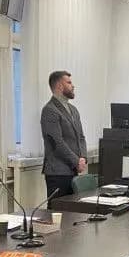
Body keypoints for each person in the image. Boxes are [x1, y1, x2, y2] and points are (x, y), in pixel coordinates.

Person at [40, 71, 87, 205]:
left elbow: (81, 137)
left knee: (72, 210)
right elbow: (57, 142)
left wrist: (83, 158)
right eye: (69, 82)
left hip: (73, 170)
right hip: (58, 172)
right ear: (60, 86)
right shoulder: (50, 110)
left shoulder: (73, 110)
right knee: (58, 210)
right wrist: (76, 161)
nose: (73, 86)